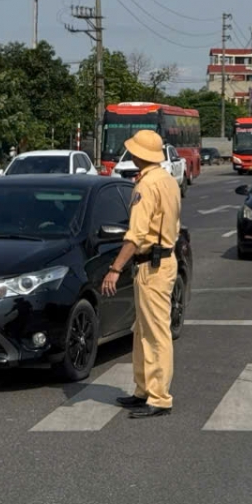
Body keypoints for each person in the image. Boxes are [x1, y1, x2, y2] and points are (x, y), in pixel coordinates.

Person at [100, 129, 182, 419]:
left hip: (152, 265)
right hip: (163, 260)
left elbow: (135, 235)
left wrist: (115, 269)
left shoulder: (146, 186)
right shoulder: (167, 180)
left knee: (155, 333)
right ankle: (143, 389)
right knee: (143, 330)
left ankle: (159, 397)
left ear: (138, 154)